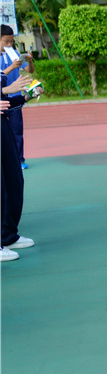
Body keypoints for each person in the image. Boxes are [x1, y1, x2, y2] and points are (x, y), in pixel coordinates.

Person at [1, 68, 38, 261]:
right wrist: (6, 90)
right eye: (5, 42)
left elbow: (4, 104)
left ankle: (7, 236)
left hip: (2, 128)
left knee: (14, 182)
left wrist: (25, 97)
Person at [1, 24, 34, 169]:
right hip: (2, 99)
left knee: (16, 130)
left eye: (11, 41)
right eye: (6, 41)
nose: (9, 44)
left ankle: (20, 160)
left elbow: (29, 70)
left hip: (15, 99)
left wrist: (30, 60)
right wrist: (12, 67)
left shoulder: (14, 53)